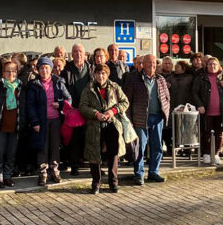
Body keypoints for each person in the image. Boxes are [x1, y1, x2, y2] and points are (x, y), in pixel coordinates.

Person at [79, 64, 129, 194]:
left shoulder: (114, 87)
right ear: (94, 74)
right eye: (98, 73)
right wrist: (96, 114)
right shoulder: (88, 88)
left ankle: (113, 183)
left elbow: (125, 102)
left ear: (107, 75)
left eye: (103, 74)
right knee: (94, 154)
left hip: (112, 124)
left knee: (113, 153)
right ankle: (96, 183)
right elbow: (82, 107)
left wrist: (112, 111)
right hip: (94, 126)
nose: (101, 76)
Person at [124, 54, 170, 185]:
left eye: (154, 62)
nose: (152, 65)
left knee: (157, 147)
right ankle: (139, 174)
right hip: (140, 118)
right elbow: (126, 101)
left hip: (157, 118)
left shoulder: (160, 79)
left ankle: (154, 172)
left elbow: (167, 96)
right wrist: (129, 119)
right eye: (149, 62)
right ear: (142, 64)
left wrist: (165, 112)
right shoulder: (133, 79)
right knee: (140, 148)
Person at [27, 57, 72, 186]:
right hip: (41, 121)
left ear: (51, 69)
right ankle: (43, 173)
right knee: (42, 147)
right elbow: (30, 106)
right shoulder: (33, 85)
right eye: (41, 68)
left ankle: (55, 171)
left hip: (56, 120)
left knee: (55, 147)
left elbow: (68, 98)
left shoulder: (58, 82)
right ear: (38, 70)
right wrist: (34, 122)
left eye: (46, 67)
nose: (44, 70)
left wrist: (60, 104)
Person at [0, 61, 24, 188]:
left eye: (14, 71)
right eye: (8, 71)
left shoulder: (21, 87)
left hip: (15, 126)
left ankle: (7, 176)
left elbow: (25, 107)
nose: (11, 74)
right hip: (0, 126)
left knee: (11, 154)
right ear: (3, 73)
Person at [192, 57, 223, 165]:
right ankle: (206, 154)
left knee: (220, 134)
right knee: (206, 133)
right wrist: (199, 105)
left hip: (221, 111)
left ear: (218, 65)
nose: (212, 66)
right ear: (206, 66)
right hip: (206, 111)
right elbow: (194, 92)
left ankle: (215, 154)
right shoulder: (201, 77)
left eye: (215, 64)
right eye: (210, 64)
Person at [60, 44, 91, 176]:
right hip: (73, 110)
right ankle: (74, 165)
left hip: (89, 109)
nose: (78, 54)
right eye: (75, 52)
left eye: (80, 51)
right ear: (71, 54)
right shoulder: (66, 70)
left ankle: (92, 165)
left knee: (90, 138)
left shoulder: (91, 68)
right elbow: (63, 89)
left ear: (85, 54)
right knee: (74, 139)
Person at [166, 60, 193, 152]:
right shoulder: (170, 78)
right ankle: (174, 147)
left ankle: (187, 148)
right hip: (173, 105)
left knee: (186, 128)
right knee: (174, 128)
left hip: (186, 106)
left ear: (183, 68)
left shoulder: (190, 78)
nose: (175, 68)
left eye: (178, 66)